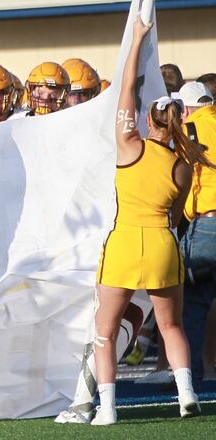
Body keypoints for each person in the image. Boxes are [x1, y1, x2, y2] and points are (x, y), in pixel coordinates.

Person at [91, 18, 211, 425]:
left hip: (124, 243)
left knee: (105, 333)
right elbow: (176, 215)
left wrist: (138, 38)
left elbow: (124, 90)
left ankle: (106, 409)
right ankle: (187, 394)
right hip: (163, 243)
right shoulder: (183, 164)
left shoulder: (129, 146)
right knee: (172, 325)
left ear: (149, 121)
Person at [177, 81, 216, 390]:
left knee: (192, 303)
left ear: (186, 107)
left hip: (207, 225)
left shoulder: (189, 129)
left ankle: (189, 376)